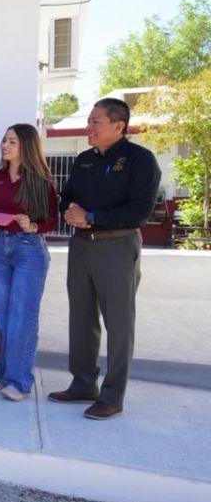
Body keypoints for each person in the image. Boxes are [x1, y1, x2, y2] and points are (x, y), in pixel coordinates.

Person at [48, 98, 160, 420]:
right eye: (89, 121)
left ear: (118, 126)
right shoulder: (84, 160)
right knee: (81, 317)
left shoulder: (140, 160)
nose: (89, 127)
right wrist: (70, 212)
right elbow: (67, 196)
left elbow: (140, 210)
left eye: (95, 121)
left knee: (119, 323)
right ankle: (83, 383)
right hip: (81, 246)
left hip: (118, 246)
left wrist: (92, 216)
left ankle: (112, 395)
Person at [0, 124, 57, 401]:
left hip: (29, 251)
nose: (5, 145)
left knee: (22, 317)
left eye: (12, 141)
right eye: (4, 140)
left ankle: (20, 381)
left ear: (26, 145)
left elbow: (52, 221)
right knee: (2, 315)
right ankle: (4, 372)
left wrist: (33, 226)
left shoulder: (41, 179)